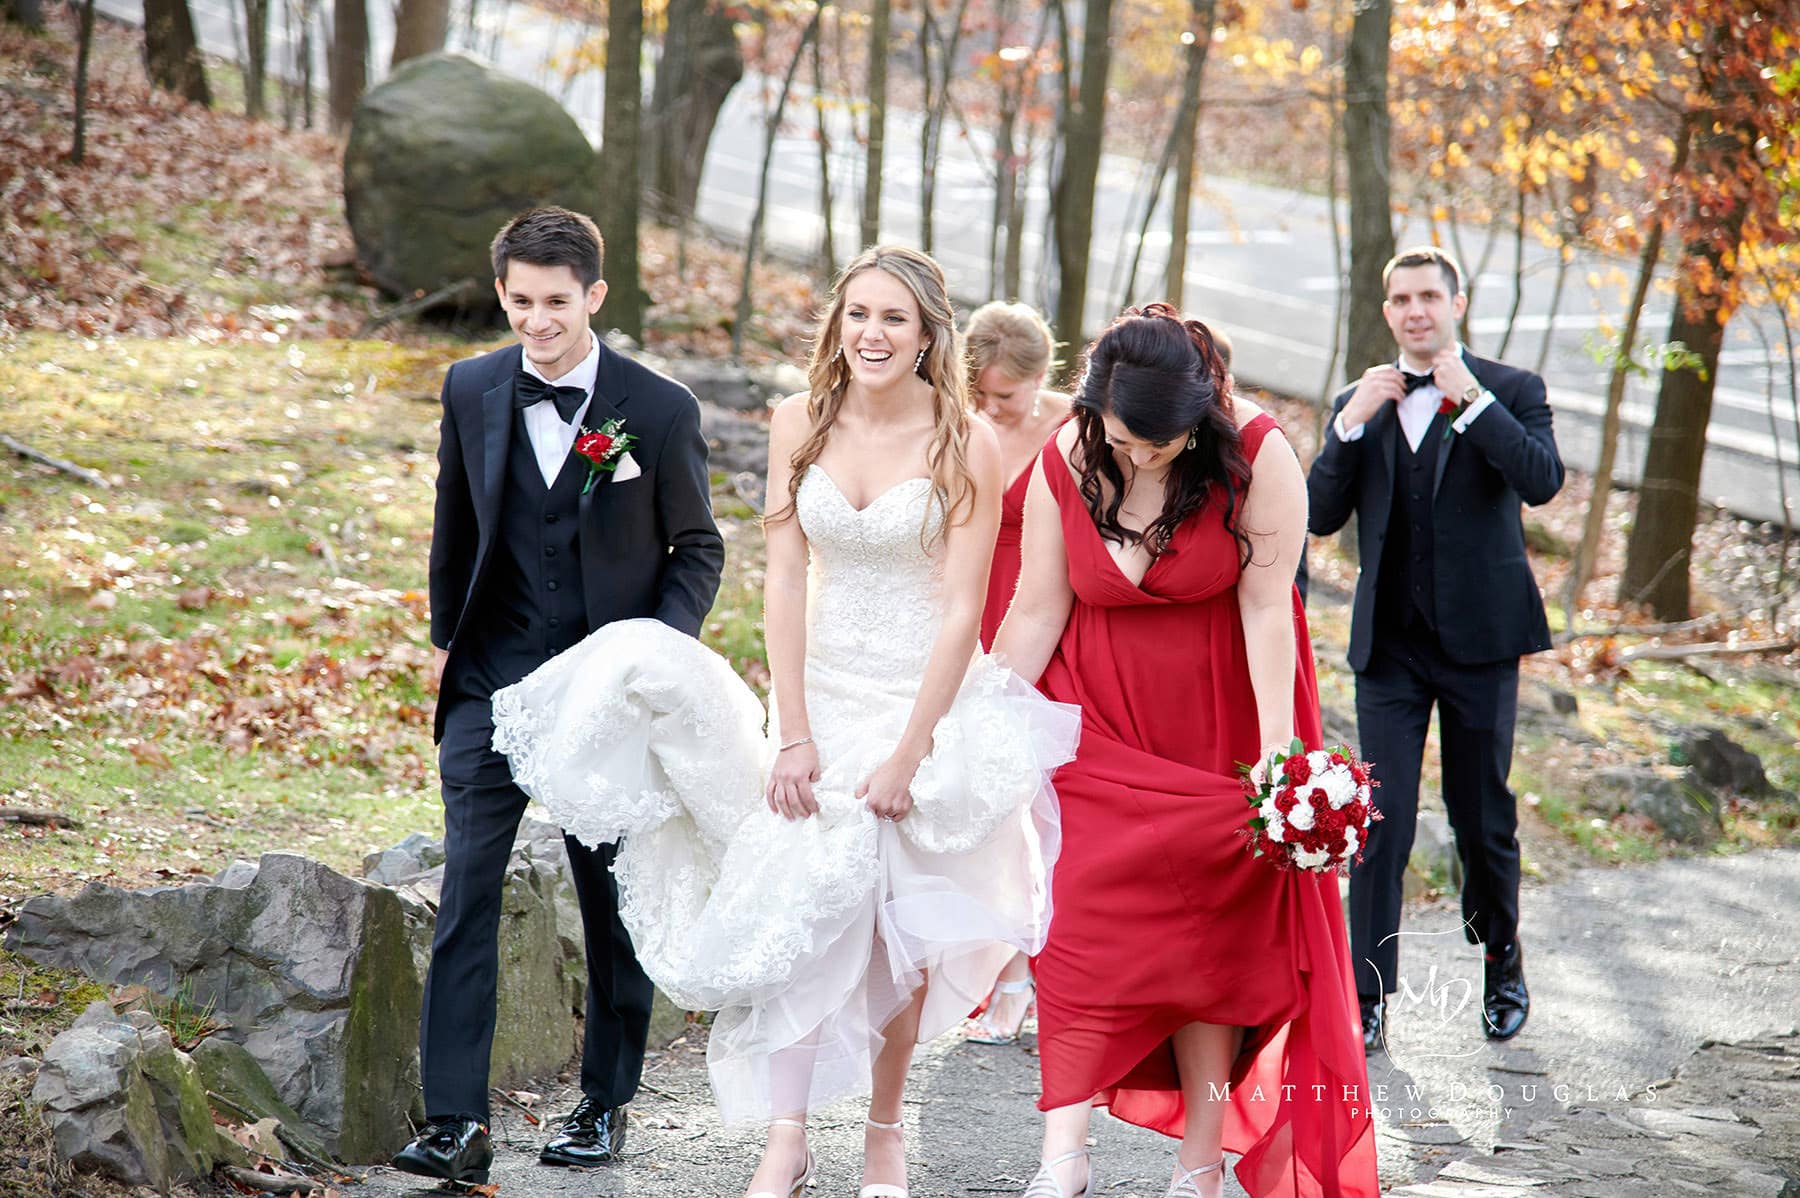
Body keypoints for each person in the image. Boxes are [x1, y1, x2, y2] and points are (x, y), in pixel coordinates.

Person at [488, 245, 1073, 1198]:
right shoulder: (799, 419)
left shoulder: (967, 441)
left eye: (894, 318)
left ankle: (884, 1133)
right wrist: (792, 730)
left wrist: (914, 750)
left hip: (920, 700)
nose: (873, 334)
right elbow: (787, 579)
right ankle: (788, 1140)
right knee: (801, 912)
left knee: (894, 934)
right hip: (823, 698)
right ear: (838, 324)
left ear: (928, 335)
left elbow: (965, 607)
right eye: (859, 315)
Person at [994, 304, 1377, 1198]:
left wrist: (1279, 762)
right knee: (1075, 926)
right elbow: (1037, 608)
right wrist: (972, 721)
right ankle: (1063, 1154)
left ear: (1197, 421)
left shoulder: (1260, 455)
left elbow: (1267, 610)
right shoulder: (1068, 452)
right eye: (1121, 440)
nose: (1135, 459)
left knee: (1210, 951)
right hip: (1092, 724)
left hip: (1217, 729)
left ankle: (1200, 1161)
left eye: (1156, 446)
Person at [394, 206, 725, 1184]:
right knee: (467, 890)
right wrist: (447, 640)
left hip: (606, 696)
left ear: (595, 297)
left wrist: (653, 659)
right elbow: (454, 523)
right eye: (521, 301)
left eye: (557, 303)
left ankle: (603, 1102)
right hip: (491, 683)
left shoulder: (658, 407)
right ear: (502, 294)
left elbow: (697, 547)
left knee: (605, 895)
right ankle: (456, 1122)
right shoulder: (471, 387)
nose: (537, 321)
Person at [1306, 245, 1564, 1050]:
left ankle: (1502, 962)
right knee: (1379, 822)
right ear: (1387, 311)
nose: (1415, 310)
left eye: (1428, 296)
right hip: (1390, 651)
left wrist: (1474, 402)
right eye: (1401, 299)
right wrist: (1348, 426)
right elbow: (1318, 514)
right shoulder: (1361, 401)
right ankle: (1367, 997)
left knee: (1480, 817)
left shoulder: (1512, 389)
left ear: (1457, 303)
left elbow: (1543, 480)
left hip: (1481, 645)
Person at [961, 300, 1071, 1047]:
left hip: (1049, 616)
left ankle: (1043, 971)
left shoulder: (1075, 428)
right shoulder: (957, 423)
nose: (990, 408)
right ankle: (998, 972)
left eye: (1004, 395)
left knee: (1042, 797)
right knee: (986, 795)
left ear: (1040, 377)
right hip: (972, 612)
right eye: (978, 393)